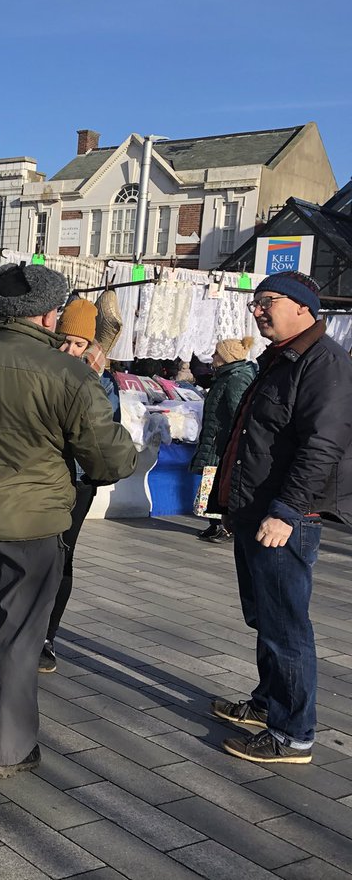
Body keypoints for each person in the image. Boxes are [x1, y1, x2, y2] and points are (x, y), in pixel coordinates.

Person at [0, 263, 136, 778]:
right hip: (33, 528)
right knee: (18, 638)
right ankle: (7, 749)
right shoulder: (70, 373)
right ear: (48, 313)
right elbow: (108, 459)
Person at [209, 271, 352, 765]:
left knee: (286, 627)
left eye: (266, 301)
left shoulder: (325, 363)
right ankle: (268, 702)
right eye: (255, 303)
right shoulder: (282, 358)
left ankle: (293, 735)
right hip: (256, 510)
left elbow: (323, 445)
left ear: (302, 306)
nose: (257, 310)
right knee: (265, 617)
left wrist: (287, 512)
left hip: (285, 517)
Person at [39, 298, 124, 674]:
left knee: (62, 558)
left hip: (77, 482)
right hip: (40, 477)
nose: (70, 349)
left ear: (91, 345)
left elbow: (110, 433)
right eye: (65, 340)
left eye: (79, 343)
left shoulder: (103, 381)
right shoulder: (42, 371)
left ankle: (46, 637)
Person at [189, 337, 256, 543]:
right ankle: (215, 524)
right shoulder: (224, 376)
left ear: (227, 357)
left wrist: (230, 439)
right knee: (212, 481)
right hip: (217, 438)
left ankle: (224, 526)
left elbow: (238, 411)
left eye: (217, 354)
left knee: (218, 481)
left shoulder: (235, 378)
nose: (213, 357)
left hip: (223, 441)